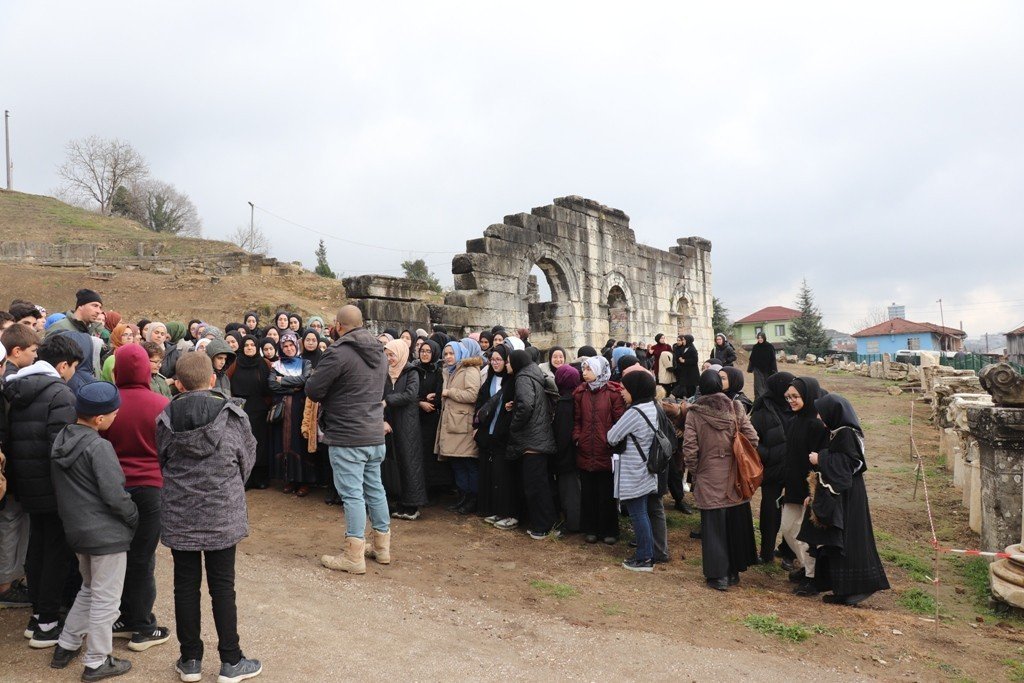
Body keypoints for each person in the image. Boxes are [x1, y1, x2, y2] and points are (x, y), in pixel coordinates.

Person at [156, 352, 261, 682]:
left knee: (184, 586)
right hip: (221, 513)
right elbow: (247, 459)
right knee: (223, 586)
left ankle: (190, 660)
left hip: (181, 513)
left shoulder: (165, 417)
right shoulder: (233, 416)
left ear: (178, 384)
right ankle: (230, 660)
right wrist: (226, 488)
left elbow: (162, 459)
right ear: (212, 380)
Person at [49, 381, 138, 680]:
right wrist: (133, 516)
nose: (116, 417)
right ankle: (98, 661)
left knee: (89, 589)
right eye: (114, 414)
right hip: (106, 535)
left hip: (76, 531)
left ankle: (67, 644)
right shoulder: (99, 446)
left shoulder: (62, 438)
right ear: (99, 419)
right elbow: (115, 494)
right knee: (106, 599)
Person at [3, 333, 81, 647]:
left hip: (27, 483)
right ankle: (48, 622)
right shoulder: (60, 394)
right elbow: (60, 448)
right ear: (64, 365)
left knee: (37, 547)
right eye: (74, 367)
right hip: (53, 487)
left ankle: (38, 615)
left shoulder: (18, 388)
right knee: (56, 553)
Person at [306, 305, 390, 575]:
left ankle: (354, 556)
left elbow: (314, 389)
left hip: (348, 435)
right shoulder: (380, 350)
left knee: (353, 494)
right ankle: (382, 548)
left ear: (339, 326)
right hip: (374, 433)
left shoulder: (338, 352)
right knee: (375, 489)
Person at [103, 344, 172, 652]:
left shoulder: (108, 403)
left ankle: (120, 616)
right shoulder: (161, 404)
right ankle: (142, 625)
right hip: (151, 488)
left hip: (113, 488)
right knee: (142, 558)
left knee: (115, 556)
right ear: (146, 369)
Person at [798, 394, 890, 605]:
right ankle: (843, 590)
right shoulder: (839, 432)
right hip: (845, 494)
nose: (819, 417)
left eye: (822, 412)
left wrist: (820, 458)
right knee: (840, 538)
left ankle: (853, 590)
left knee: (849, 539)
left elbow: (851, 463)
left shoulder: (846, 433)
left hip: (848, 495)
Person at [682, 370, 759, 591]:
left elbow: (689, 449)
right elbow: (752, 437)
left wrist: (697, 472)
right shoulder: (736, 408)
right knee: (734, 523)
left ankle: (718, 576)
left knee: (713, 527)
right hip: (734, 474)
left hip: (708, 474)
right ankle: (734, 572)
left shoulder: (694, 413)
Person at [606, 371, 661, 572]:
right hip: (647, 468)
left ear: (635, 390)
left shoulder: (635, 412)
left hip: (634, 470)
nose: (621, 392)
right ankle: (647, 554)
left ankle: (645, 558)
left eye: (625, 388)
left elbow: (612, 436)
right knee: (643, 512)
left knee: (638, 514)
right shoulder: (652, 407)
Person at [782, 376, 829, 597]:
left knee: (806, 536)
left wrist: (814, 493)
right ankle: (806, 567)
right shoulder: (794, 420)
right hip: (792, 487)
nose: (791, 401)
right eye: (788, 397)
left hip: (808, 491)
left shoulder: (817, 425)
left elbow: (819, 462)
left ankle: (813, 577)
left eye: (795, 397)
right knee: (789, 528)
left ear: (808, 397)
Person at [573, 356, 626, 545]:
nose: (584, 372)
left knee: (606, 493)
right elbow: (577, 420)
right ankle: (591, 529)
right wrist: (578, 438)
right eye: (583, 369)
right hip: (586, 449)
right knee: (588, 492)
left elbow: (619, 421)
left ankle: (609, 530)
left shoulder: (613, 393)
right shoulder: (580, 393)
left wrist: (612, 441)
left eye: (588, 369)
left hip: (606, 450)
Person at [507, 349, 558, 539]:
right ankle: (548, 524)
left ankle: (542, 527)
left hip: (531, 441)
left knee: (535, 486)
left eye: (508, 362)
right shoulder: (534, 373)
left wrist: (513, 425)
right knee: (541, 485)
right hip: (540, 437)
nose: (506, 365)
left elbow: (526, 405)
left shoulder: (522, 377)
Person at [748, 372, 796, 565]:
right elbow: (752, 441)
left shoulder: (796, 407)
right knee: (770, 511)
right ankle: (766, 552)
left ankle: (789, 553)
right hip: (772, 471)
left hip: (795, 470)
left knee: (793, 513)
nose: (792, 392)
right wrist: (769, 454)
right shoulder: (762, 411)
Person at [435, 339, 483, 514]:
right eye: (446, 354)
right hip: (453, 423)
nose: (448, 357)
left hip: (463, 424)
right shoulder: (450, 371)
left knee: (468, 464)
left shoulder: (469, 370)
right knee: (457, 463)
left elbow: (473, 394)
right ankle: (463, 497)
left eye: (451, 353)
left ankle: (472, 499)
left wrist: (449, 392)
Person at [382, 339, 427, 520]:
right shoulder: (386, 373)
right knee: (395, 462)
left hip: (407, 423)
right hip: (390, 423)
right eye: (387, 355)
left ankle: (413, 504)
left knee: (410, 462)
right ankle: (400, 502)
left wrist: (388, 401)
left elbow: (411, 394)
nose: (390, 358)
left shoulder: (411, 372)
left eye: (392, 355)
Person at [475, 346, 516, 529]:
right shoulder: (489, 379)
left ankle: (505, 511)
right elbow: (481, 404)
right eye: (493, 359)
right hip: (487, 433)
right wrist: (476, 426)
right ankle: (491, 509)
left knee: (503, 475)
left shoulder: (512, 381)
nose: (495, 363)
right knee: (489, 473)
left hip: (504, 434)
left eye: (499, 359)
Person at [268, 332, 314, 496]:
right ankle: (289, 479)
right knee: (284, 442)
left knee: (300, 442)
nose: (288, 349)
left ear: (296, 346)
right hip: (282, 411)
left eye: (291, 345)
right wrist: (293, 387)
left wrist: (283, 381)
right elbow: (272, 385)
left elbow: (305, 379)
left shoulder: (305, 363)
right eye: (285, 346)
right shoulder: (276, 365)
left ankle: (304, 481)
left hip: (300, 409)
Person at [227, 336, 272, 489]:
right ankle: (247, 477)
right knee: (243, 443)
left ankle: (261, 477)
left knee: (260, 443)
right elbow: (228, 384)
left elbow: (269, 387)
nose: (249, 347)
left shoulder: (264, 363)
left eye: (253, 345)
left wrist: (265, 403)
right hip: (241, 409)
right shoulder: (235, 363)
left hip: (260, 409)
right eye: (246, 345)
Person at [412, 339, 448, 491]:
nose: (425, 354)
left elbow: (441, 394)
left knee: (430, 454)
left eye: (428, 351)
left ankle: (433, 488)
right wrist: (420, 402)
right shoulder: (414, 370)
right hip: (416, 416)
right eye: (422, 351)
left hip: (432, 418)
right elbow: (409, 392)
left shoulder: (439, 372)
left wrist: (435, 397)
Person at [552, 365, 582, 533]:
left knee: (569, 491)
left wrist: (558, 455)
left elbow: (563, 433)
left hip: (566, 455)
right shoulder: (578, 397)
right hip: (577, 452)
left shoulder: (565, 402)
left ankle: (573, 523)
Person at [747, 332, 778, 400]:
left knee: (767, 385)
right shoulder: (755, 347)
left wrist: (774, 370)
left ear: (764, 338)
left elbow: (773, 359)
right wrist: (750, 368)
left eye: (761, 338)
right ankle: (758, 401)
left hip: (768, 370)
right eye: (758, 338)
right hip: (757, 369)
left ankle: (767, 400)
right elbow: (752, 358)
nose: (760, 339)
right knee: (758, 386)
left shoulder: (769, 346)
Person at [672, 334, 700, 399]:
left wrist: (684, 361)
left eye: (684, 340)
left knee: (691, 388)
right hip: (685, 371)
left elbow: (695, 360)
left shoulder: (692, 349)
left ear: (688, 340)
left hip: (692, 372)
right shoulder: (684, 348)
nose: (683, 341)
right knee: (686, 387)